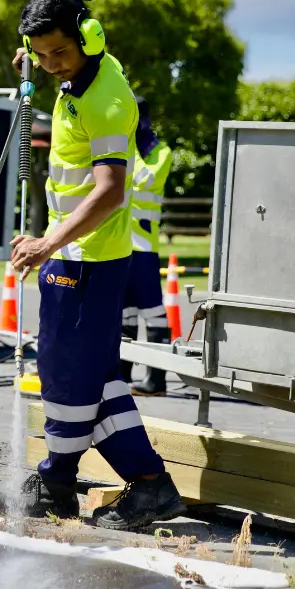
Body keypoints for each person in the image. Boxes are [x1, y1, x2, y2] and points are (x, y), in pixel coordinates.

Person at [0, 0, 186, 531]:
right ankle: (90, 484)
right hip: (82, 252)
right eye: (41, 53)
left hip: (84, 256)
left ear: (88, 36)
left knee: (63, 377)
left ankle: (108, 480)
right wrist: (32, 69)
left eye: (61, 52)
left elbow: (109, 190)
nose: (52, 64)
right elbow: (52, 70)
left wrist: (46, 243)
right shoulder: (78, 74)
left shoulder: (106, 97)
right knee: (98, 380)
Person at [119, 96, 174, 397]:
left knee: (152, 310)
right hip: (120, 244)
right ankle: (122, 375)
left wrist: (128, 145)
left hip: (142, 246)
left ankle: (157, 381)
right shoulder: (123, 145)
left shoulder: (160, 152)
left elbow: (140, 181)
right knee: (125, 312)